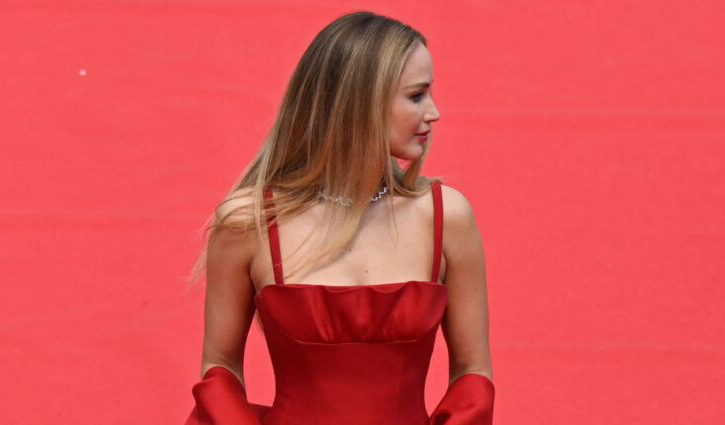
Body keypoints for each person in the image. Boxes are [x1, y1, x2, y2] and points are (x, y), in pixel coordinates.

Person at [182, 11, 495, 425]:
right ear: (360, 103)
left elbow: (472, 376)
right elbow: (220, 370)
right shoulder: (248, 222)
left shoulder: (446, 216)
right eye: (417, 96)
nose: (434, 113)